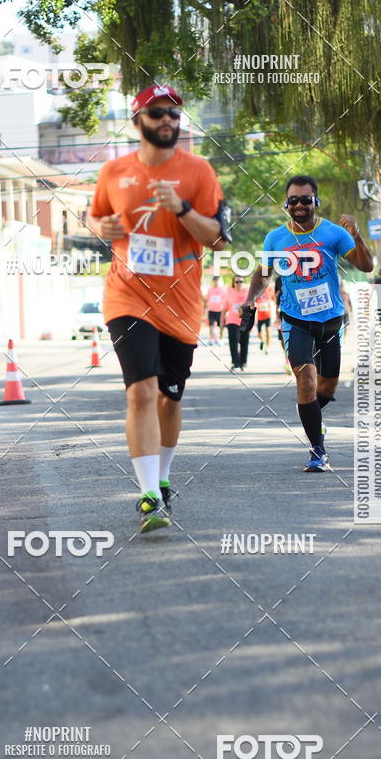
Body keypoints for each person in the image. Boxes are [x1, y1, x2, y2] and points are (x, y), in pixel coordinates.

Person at [87, 84, 231, 531]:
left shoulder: (198, 171)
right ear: (138, 123)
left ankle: (163, 479)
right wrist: (101, 226)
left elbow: (220, 238)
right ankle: (149, 496)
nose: (167, 120)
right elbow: (96, 218)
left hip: (182, 301)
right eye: (156, 114)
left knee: (169, 399)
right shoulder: (113, 171)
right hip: (127, 294)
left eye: (173, 114)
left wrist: (183, 208)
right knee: (141, 391)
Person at [242, 174, 373, 471]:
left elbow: (366, 266)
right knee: (306, 381)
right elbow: (264, 274)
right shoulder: (276, 237)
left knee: (326, 389)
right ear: (286, 204)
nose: (299, 205)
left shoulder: (334, 234)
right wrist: (251, 298)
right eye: (293, 200)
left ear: (316, 201)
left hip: (330, 320)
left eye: (305, 199)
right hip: (295, 319)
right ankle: (318, 450)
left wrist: (358, 235)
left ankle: (311, 415)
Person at [223, 275, 250, 371]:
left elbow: (252, 307)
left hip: (245, 321)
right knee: (233, 341)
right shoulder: (229, 292)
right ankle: (235, 363)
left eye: (241, 281)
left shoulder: (247, 293)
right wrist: (222, 323)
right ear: (233, 283)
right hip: (232, 321)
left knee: (244, 342)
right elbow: (224, 309)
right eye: (237, 282)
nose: (239, 284)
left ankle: (243, 362)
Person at [204, 275, 226, 345]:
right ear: (213, 282)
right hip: (211, 310)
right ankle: (211, 339)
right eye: (215, 281)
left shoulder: (222, 290)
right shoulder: (210, 289)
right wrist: (205, 307)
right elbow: (206, 299)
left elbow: (226, 300)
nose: (216, 282)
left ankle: (221, 339)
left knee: (221, 326)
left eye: (217, 281)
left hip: (220, 310)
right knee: (211, 325)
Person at [255, 285, 275, 352]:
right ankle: (263, 340)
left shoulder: (269, 289)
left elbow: (274, 300)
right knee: (259, 333)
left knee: (268, 331)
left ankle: (267, 348)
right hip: (260, 316)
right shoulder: (257, 290)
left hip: (268, 315)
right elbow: (254, 301)